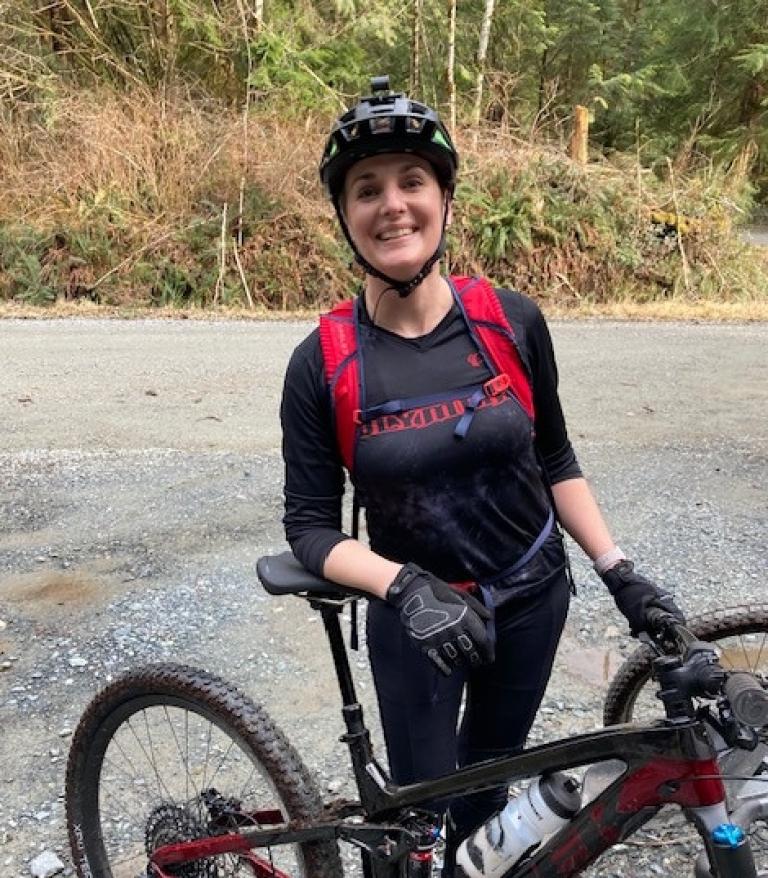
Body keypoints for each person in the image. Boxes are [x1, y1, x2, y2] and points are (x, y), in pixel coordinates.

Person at [279, 75, 685, 875]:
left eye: (411, 182)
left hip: (534, 594)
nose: (391, 203)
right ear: (345, 217)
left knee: (489, 790)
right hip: (419, 617)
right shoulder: (322, 362)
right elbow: (311, 527)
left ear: (444, 200)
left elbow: (556, 460)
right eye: (366, 190)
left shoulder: (511, 320)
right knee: (417, 820)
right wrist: (403, 589)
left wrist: (619, 571)